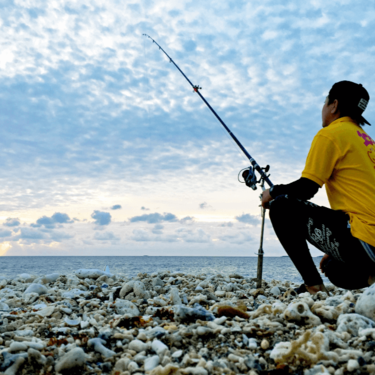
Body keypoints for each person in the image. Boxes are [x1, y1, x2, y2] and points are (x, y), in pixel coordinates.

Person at [261, 81, 375, 295]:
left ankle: (313, 287)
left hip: (364, 239)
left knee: (281, 206)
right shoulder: (368, 142)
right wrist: (334, 247)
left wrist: (272, 192)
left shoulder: (331, 134)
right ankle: (372, 280)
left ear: (334, 105)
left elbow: (306, 189)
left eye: (325, 101)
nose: (323, 108)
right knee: (332, 267)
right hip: (367, 241)